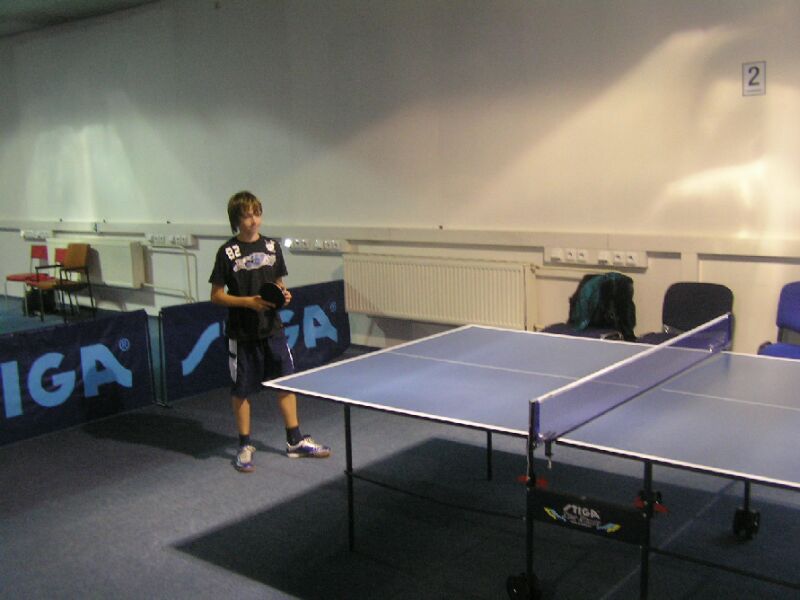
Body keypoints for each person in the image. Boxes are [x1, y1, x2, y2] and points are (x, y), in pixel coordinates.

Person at [209, 190, 330, 472]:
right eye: (247, 216)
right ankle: (244, 445)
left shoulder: (273, 247)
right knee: (242, 390)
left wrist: (284, 296)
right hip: (242, 333)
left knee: (285, 381)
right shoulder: (227, 252)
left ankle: (294, 440)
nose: (253, 221)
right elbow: (216, 296)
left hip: (272, 328)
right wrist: (247, 303)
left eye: (257, 214)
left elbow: (278, 286)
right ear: (236, 220)